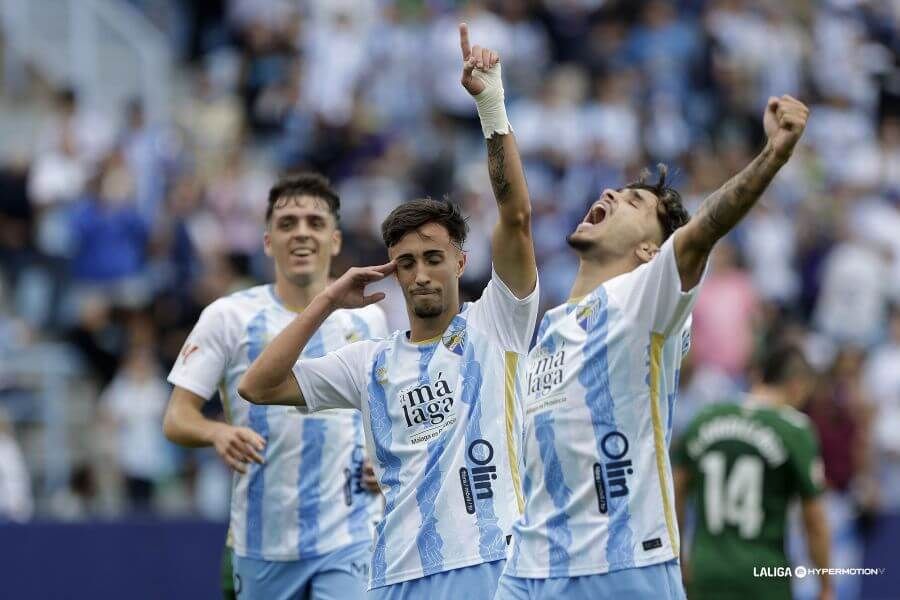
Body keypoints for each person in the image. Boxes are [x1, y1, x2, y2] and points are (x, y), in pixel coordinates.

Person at [238, 24, 539, 600]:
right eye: (406, 262)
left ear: (460, 261)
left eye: (433, 258)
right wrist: (326, 298)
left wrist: (490, 105)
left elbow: (517, 217)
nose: (421, 273)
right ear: (392, 270)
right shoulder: (369, 362)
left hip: (491, 563)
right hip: (393, 576)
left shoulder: (497, 321)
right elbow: (258, 385)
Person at [496, 94, 811, 600]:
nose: (611, 194)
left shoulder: (645, 300)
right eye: (616, 192)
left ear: (650, 249)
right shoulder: (548, 328)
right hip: (530, 566)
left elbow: (704, 229)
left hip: (619, 569)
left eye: (634, 202)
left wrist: (771, 155)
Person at [163, 172, 387, 600]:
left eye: (314, 223)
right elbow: (177, 418)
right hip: (262, 540)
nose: (301, 233)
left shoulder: (368, 319)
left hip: (352, 532)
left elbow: (383, 409)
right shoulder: (228, 316)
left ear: (335, 240)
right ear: (268, 241)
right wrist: (217, 432)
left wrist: (389, 461)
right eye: (288, 224)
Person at [672, 344, 832, 600]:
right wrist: (826, 584)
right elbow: (814, 521)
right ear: (797, 384)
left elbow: (675, 493)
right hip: (765, 574)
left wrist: (678, 559)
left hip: (705, 570)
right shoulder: (794, 430)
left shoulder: (704, 419)